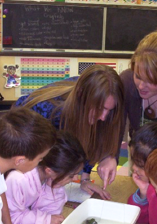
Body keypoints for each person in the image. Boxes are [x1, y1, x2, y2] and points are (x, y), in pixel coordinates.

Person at [15, 64, 125, 198]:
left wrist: (85, 177)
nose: (103, 117)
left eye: (109, 110)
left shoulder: (93, 94)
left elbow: (90, 138)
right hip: (21, 133)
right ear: (81, 97)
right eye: (100, 108)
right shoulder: (50, 111)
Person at [5, 131, 86, 224]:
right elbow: (11, 219)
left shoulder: (51, 175)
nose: (75, 179)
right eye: (71, 175)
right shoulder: (19, 179)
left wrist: (54, 188)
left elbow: (53, 214)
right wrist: (45, 220)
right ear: (49, 170)